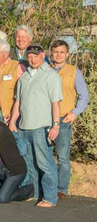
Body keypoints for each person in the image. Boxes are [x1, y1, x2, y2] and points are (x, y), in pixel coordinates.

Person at [8, 44, 61, 207]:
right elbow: (18, 101)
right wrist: (12, 122)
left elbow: (55, 103)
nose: (32, 58)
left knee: (45, 163)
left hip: (41, 127)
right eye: (30, 56)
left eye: (36, 55)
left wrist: (56, 125)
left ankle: (50, 198)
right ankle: (36, 194)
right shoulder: (24, 77)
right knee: (30, 163)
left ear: (43, 55)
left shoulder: (51, 75)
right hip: (24, 127)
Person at [49, 39, 90, 199]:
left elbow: (84, 96)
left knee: (63, 157)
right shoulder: (45, 69)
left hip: (64, 119)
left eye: (61, 52)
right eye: (55, 51)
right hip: (45, 118)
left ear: (67, 54)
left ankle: (61, 189)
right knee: (44, 155)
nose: (58, 55)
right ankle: (46, 185)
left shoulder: (74, 71)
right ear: (51, 53)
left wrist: (74, 113)